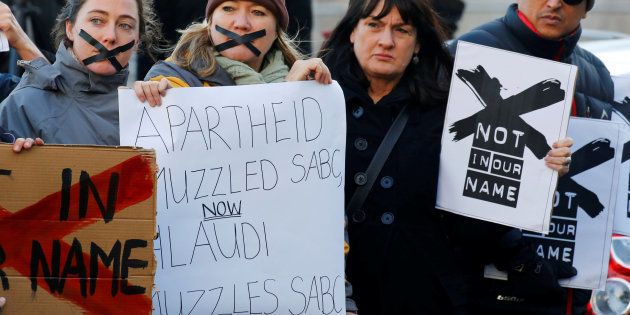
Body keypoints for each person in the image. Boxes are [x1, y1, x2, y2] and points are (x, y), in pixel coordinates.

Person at [319, 0, 573, 314]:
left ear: (417, 44)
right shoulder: (315, 104)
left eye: (402, 30)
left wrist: (539, 173)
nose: (386, 41)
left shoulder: (450, 111)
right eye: (374, 25)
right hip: (336, 295)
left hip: (423, 295)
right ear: (351, 33)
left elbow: (478, 223)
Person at [449, 0, 612, 313]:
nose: (553, 3)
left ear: (587, 7)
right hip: (483, 287)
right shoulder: (470, 51)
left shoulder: (596, 72)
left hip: (565, 289)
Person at [0, 0, 162, 145]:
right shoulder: (24, 105)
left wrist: (165, 107)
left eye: (125, 25)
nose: (111, 36)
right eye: (96, 20)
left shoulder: (148, 110)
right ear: (70, 28)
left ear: (137, 41)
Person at [134, 0, 330, 106]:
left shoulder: (303, 83)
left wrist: (303, 92)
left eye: (258, 12)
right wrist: (153, 95)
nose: (241, 24)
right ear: (210, 22)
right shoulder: (174, 81)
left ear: (277, 30)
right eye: (228, 8)